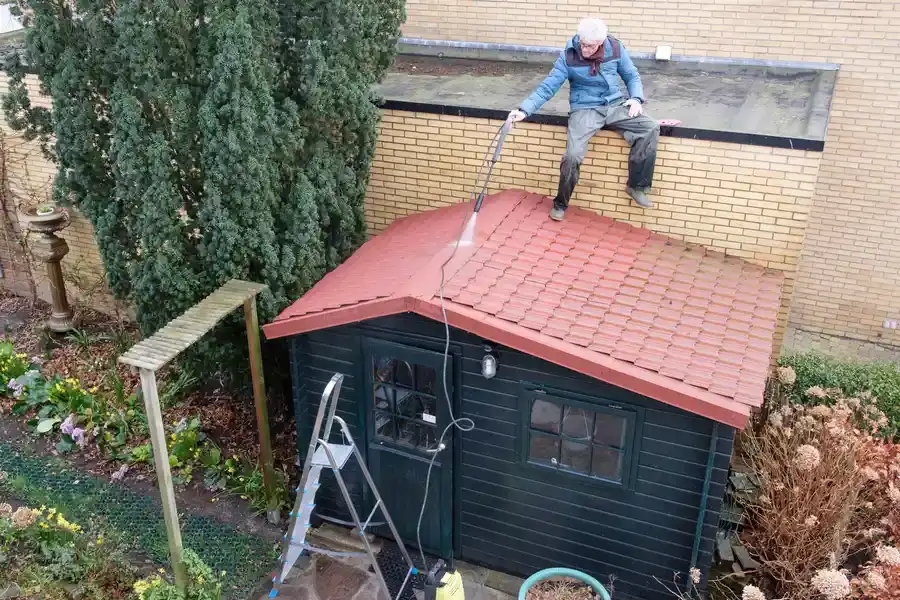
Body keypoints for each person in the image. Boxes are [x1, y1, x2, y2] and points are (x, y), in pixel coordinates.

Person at [508, 17, 660, 220]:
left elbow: (631, 75)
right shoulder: (568, 56)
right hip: (584, 108)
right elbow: (548, 86)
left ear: (601, 43)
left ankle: (637, 186)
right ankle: (561, 204)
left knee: (649, 127)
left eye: (591, 46)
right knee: (573, 156)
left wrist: (636, 99)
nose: (585, 49)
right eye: (583, 44)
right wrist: (524, 110)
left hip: (615, 104)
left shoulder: (615, 48)